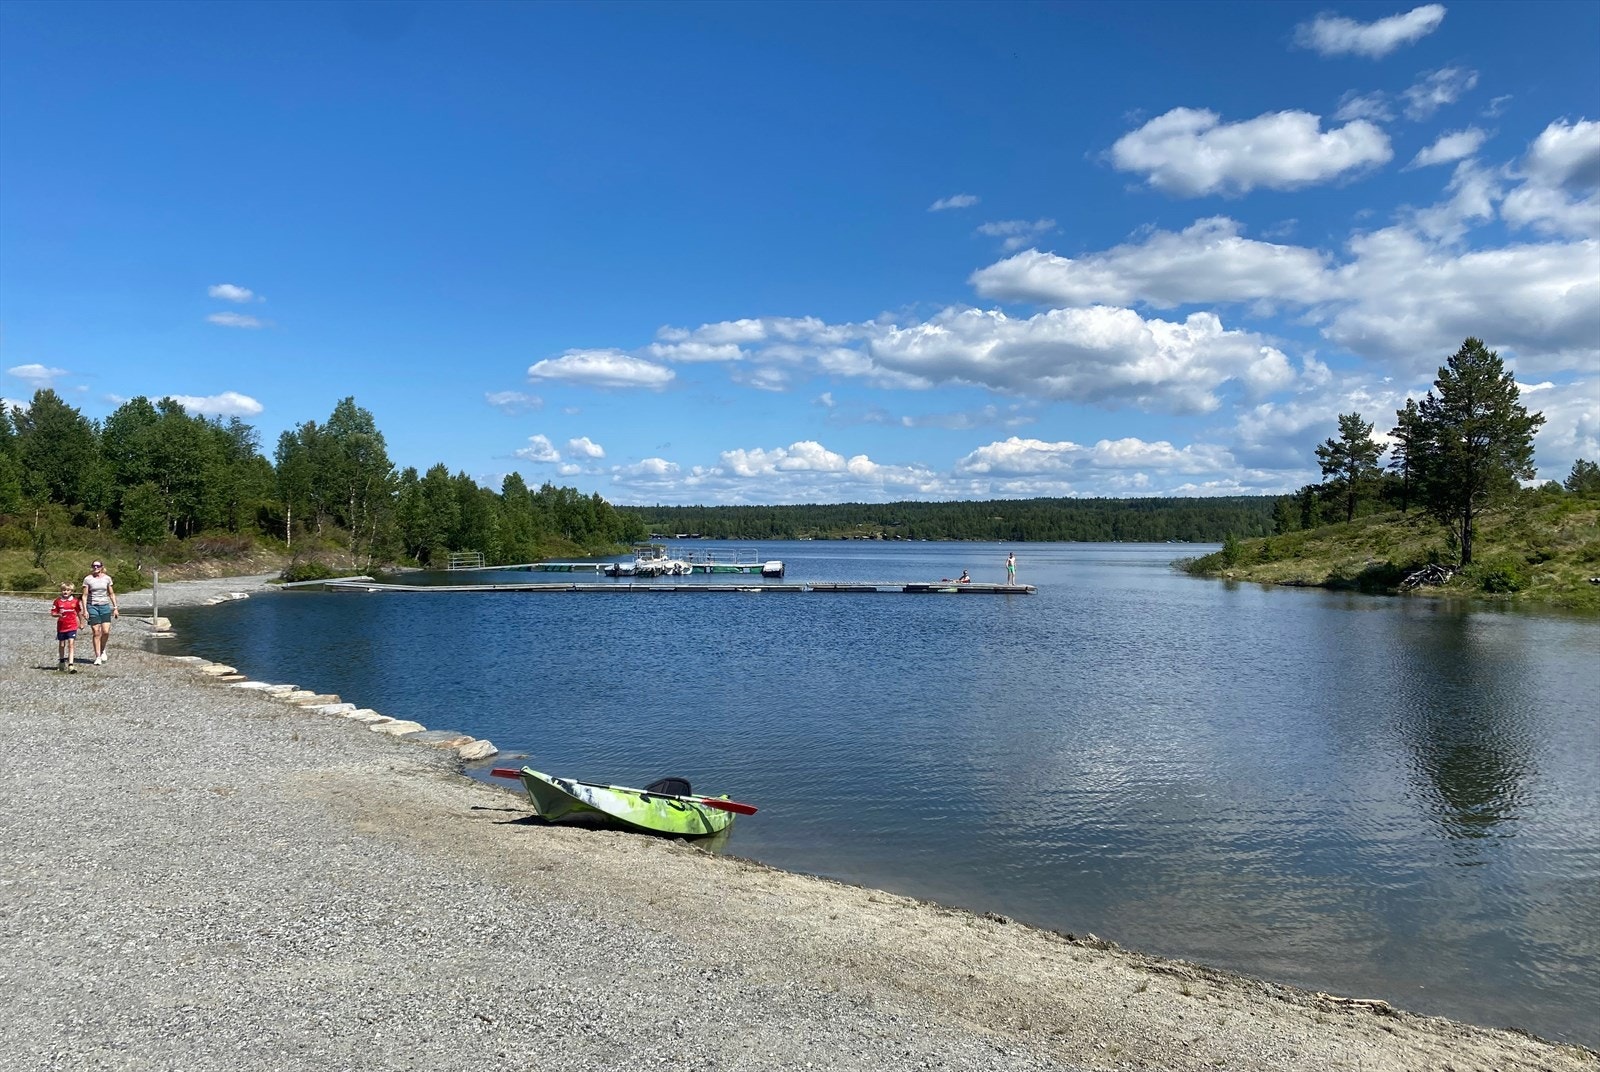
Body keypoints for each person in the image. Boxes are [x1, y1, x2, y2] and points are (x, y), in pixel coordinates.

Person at [81, 560, 119, 665]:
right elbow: (84, 595)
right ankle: (97, 656)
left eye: (98, 566)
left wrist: (115, 607)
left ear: (102, 567)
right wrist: (85, 610)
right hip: (92, 606)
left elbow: (111, 593)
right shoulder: (88, 579)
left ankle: (102, 649)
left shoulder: (107, 578)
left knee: (106, 631)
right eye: (93, 566)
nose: (95, 567)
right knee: (96, 632)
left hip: (105, 606)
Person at [50, 582, 84, 672]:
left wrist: (81, 623)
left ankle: (71, 664)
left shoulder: (75, 601)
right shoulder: (58, 601)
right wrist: (58, 615)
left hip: (72, 625)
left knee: (71, 644)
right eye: (64, 590)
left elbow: (79, 613)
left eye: (68, 590)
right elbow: (52, 613)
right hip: (61, 626)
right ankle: (61, 662)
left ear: (71, 591)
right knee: (62, 644)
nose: (65, 592)